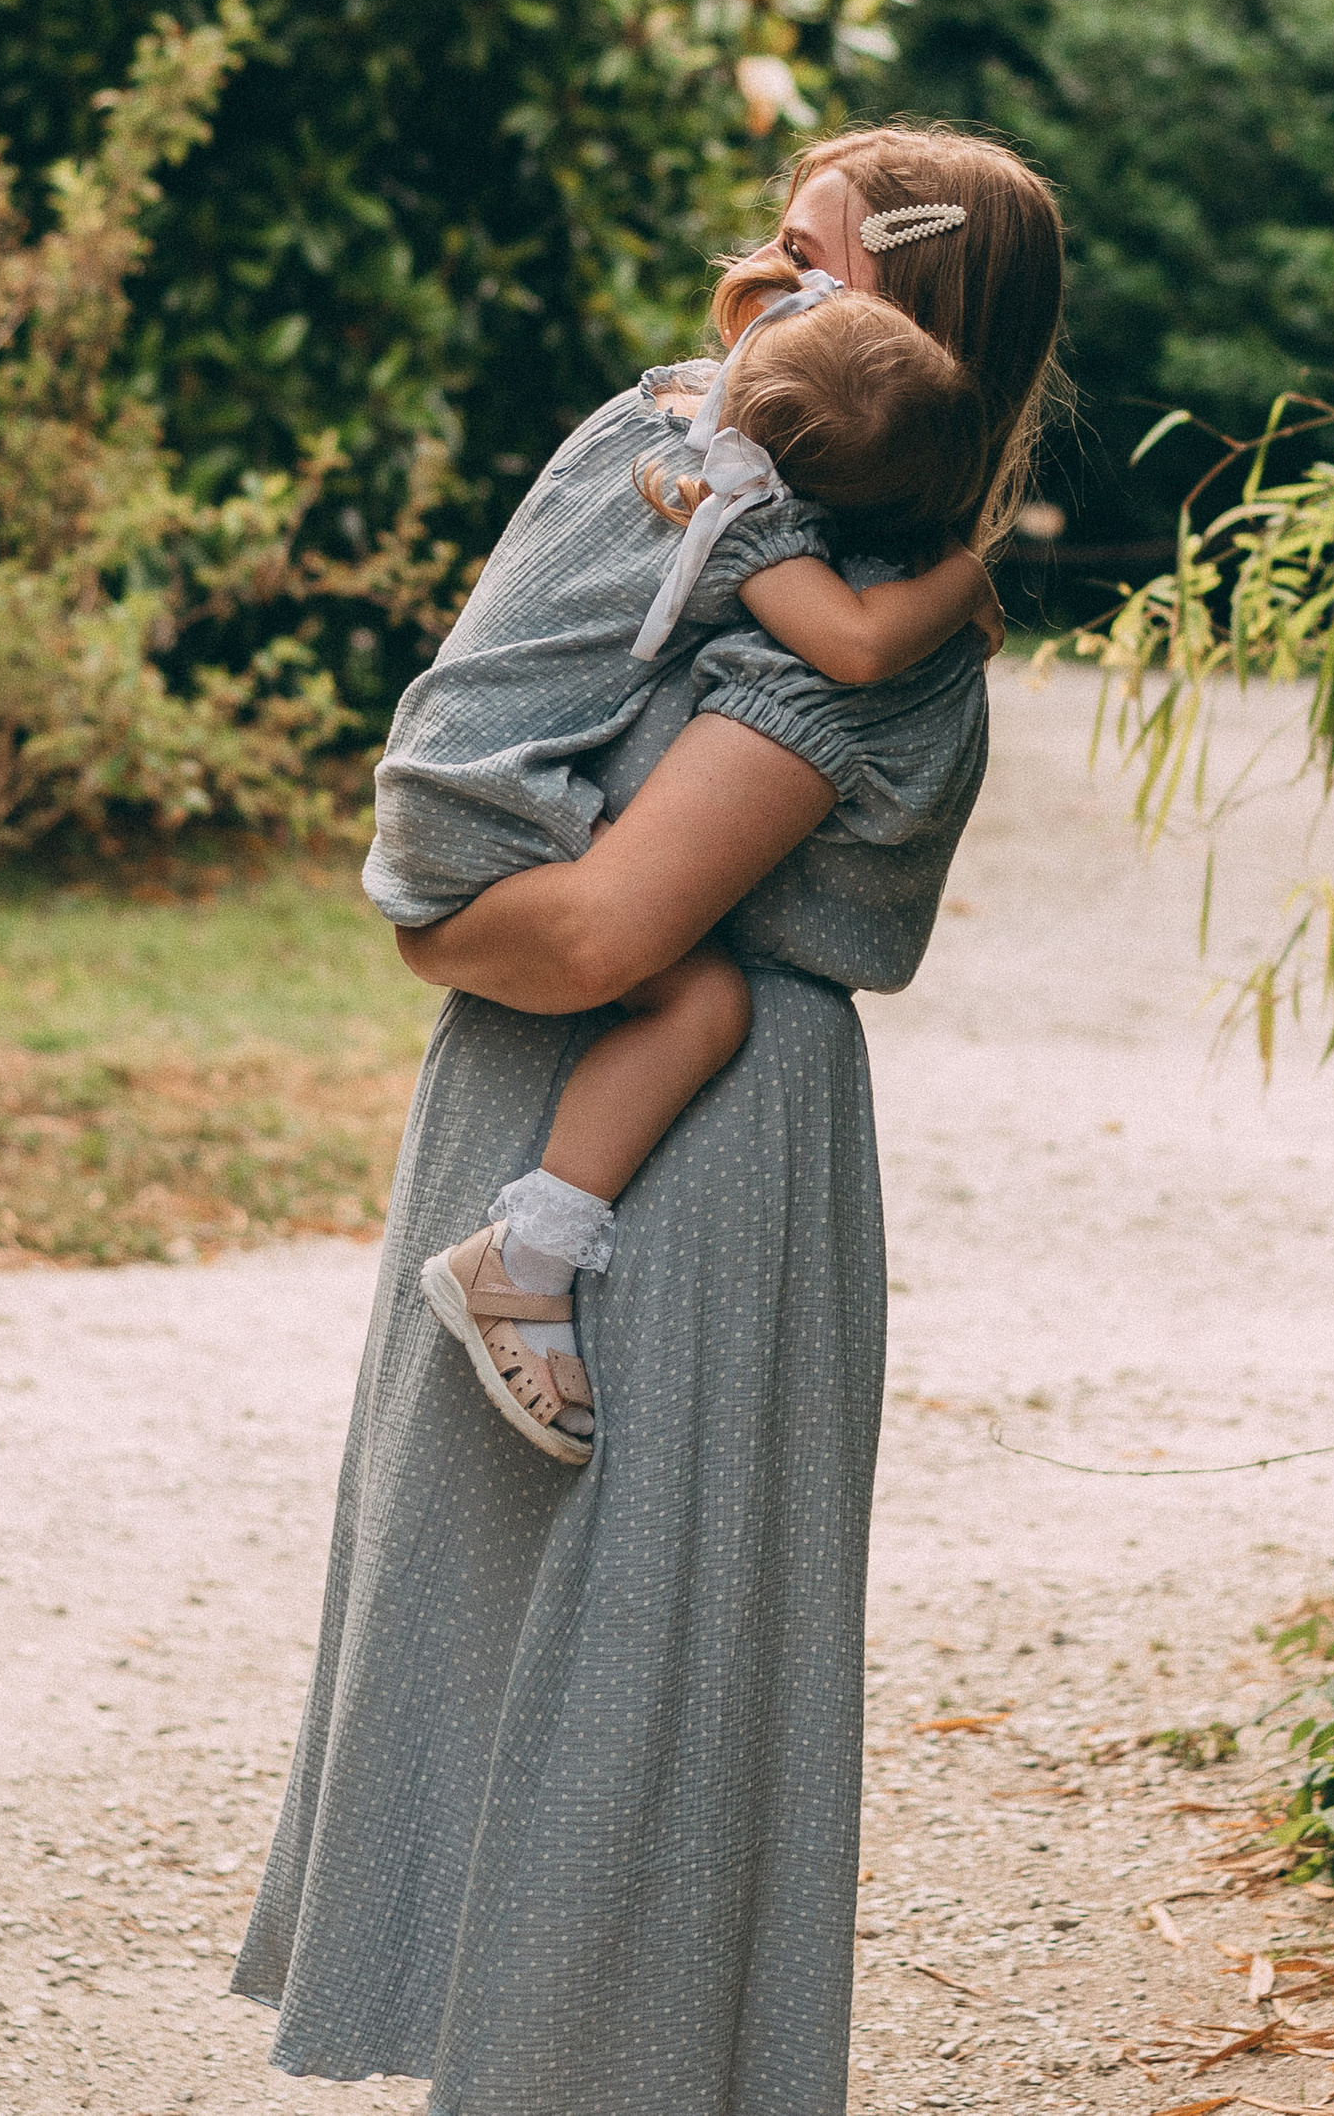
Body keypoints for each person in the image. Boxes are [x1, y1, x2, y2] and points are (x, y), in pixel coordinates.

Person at [234, 121, 1066, 2116]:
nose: (770, 303)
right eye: (766, 258)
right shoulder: (722, 503)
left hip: (681, 1172)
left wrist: (440, 932)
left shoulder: (872, 642)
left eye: (823, 274)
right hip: (551, 1109)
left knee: (633, 1668)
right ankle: (482, 2058)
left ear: (928, 336)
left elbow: (610, 918)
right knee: (475, 1613)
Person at [373, 251, 1003, 1468]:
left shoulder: (665, 431)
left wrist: (778, 307)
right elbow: (859, 644)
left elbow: (773, 334)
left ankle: (525, 1248)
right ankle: (528, 1253)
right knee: (701, 1000)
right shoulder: (738, 517)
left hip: (445, 775)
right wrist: (967, 579)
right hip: (489, 805)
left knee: (677, 980)